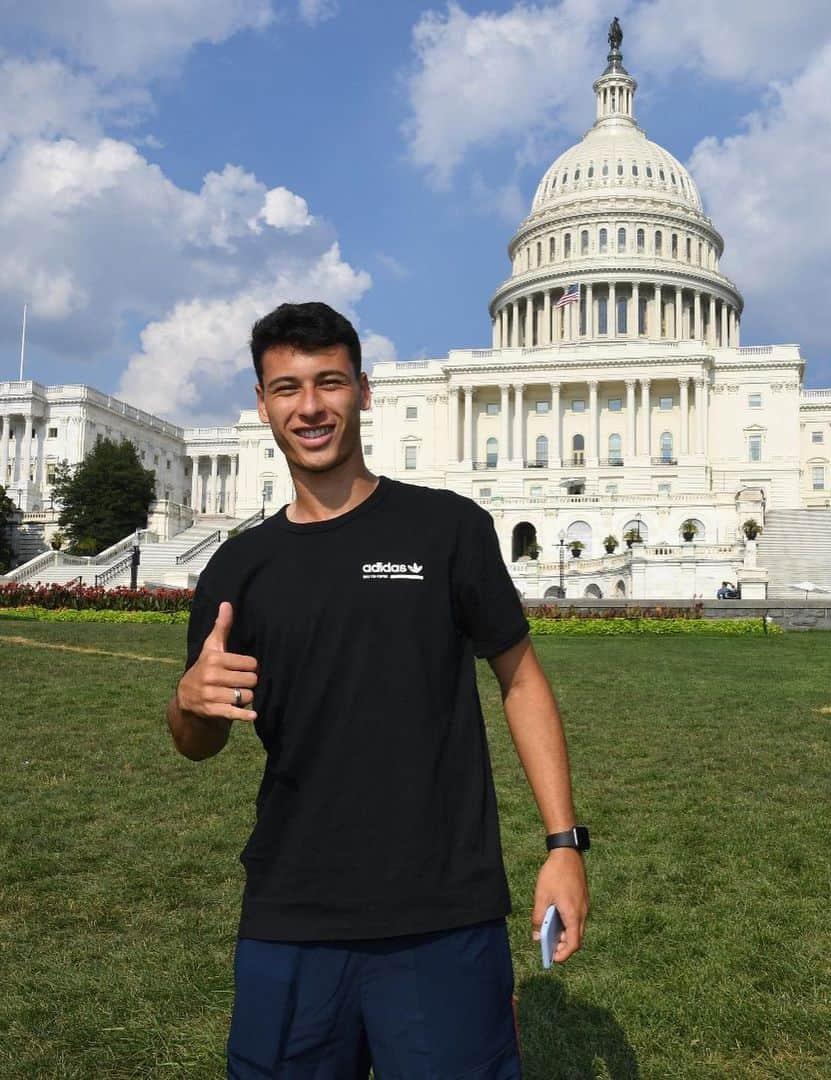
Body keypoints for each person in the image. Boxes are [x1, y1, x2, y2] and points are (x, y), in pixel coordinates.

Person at [165, 301, 589, 1078]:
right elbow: (198, 740)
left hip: (442, 909)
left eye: (329, 382)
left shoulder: (446, 528)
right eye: (287, 388)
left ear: (363, 390)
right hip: (292, 909)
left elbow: (521, 680)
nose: (310, 407)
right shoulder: (239, 566)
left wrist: (564, 844)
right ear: (262, 405)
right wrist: (188, 703)